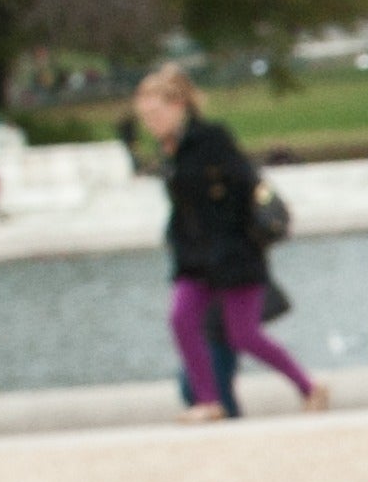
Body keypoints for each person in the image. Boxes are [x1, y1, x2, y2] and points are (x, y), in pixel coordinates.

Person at [134, 64, 320, 418]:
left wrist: (230, 242)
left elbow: (241, 191)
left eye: (155, 114)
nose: (150, 124)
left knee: (242, 334)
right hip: (195, 259)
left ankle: (307, 387)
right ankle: (210, 402)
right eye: (145, 117)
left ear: (178, 107)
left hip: (233, 258)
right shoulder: (171, 149)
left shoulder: (211, 140)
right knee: (181, 320)